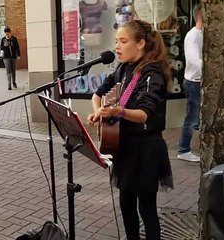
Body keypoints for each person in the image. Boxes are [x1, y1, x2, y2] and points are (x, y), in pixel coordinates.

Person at [87, 19, 174, 240]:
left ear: (141, 43)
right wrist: (98, 112)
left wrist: (118, 112)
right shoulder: (122, 68)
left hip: (146, 149)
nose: (117, 46)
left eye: (123, 41)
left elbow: (144, 113)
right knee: (126, 204)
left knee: (146, 208)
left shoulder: (152, 73)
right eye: (116, 41)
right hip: (125, 147)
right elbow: (97, 94)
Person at [177, 4, 203, 162]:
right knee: (192, 117)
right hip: (194, 82)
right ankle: (184, 149)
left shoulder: (199, 34)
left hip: (197, 81)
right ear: (201, 15)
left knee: (196, 118)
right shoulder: (194, 35)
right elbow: (194, 59)